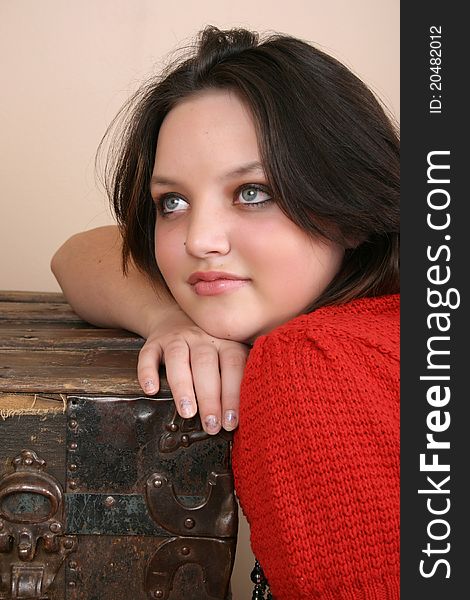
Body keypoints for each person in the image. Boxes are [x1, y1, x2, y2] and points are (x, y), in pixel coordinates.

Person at [52, 26, 400, 599]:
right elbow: (76, 254)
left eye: (253, 192)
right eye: (174, 202)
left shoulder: (311, 368)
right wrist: (169, 319)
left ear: (347, 199)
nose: (200, 240)